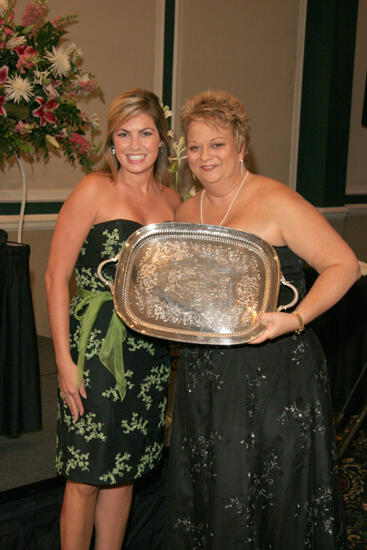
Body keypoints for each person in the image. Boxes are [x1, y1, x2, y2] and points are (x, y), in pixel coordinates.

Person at [164, 90, 360, 549]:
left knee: (269, 486)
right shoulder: (186, 211)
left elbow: (344, 266)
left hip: (273, 370)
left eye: (216, 144)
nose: (205, 156)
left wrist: (295, 320)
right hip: (204, 372)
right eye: (194, 147)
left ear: (240, 147)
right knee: (212, 482)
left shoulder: (276, 200)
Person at [45, 88, 181, 550]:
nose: (135, 144)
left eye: (145, 132)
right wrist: (64, 361)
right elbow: (54, 275)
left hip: (149, 355)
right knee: (84, 476)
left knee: (124, 474)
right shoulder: (93, 189)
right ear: (112, 142)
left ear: (162, 140)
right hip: (92, 347)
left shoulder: (174, 202)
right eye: (123, 134)